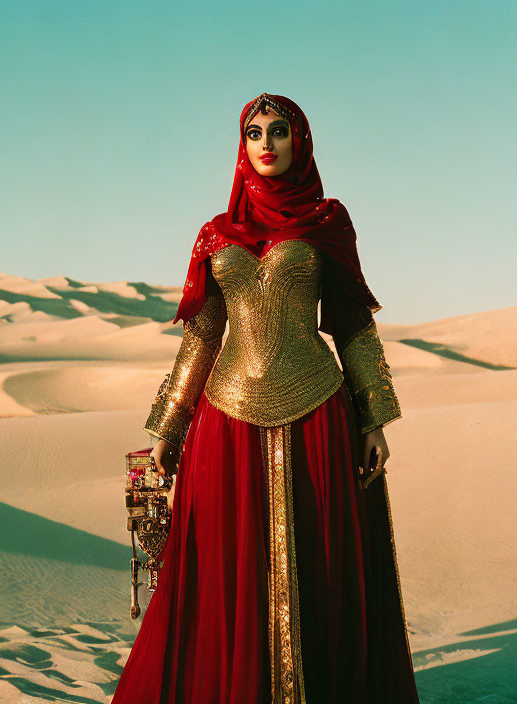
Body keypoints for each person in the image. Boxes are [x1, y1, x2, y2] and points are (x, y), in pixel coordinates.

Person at [111, 93, 420, 704]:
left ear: (300, 141)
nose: (267, 143)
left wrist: (375, 417)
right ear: (242, 144)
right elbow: (202, 335)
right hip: (224, 420)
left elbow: (353, 322)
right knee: (229, 571)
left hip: (318, 412)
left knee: (323, 569)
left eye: (280, 131)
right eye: (254, 132)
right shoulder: (216, 234)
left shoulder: (327, 222)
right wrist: (168, 430)